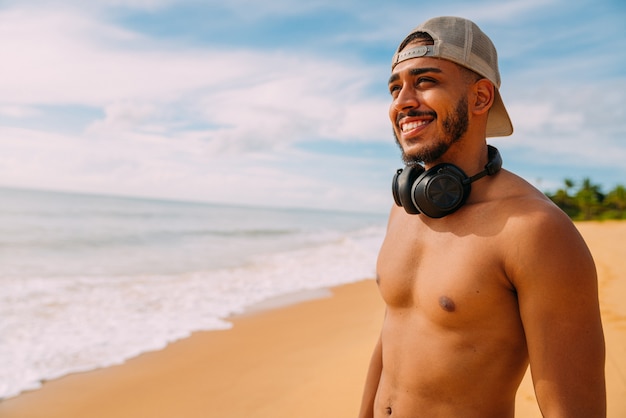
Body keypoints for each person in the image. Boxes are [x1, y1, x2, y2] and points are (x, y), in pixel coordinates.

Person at [358, 16, 606, 418]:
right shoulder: (406, 209)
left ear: (480, 98)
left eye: (425, 81)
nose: (402, 101)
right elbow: (393, 336)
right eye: (395, 87)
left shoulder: (535, 230)